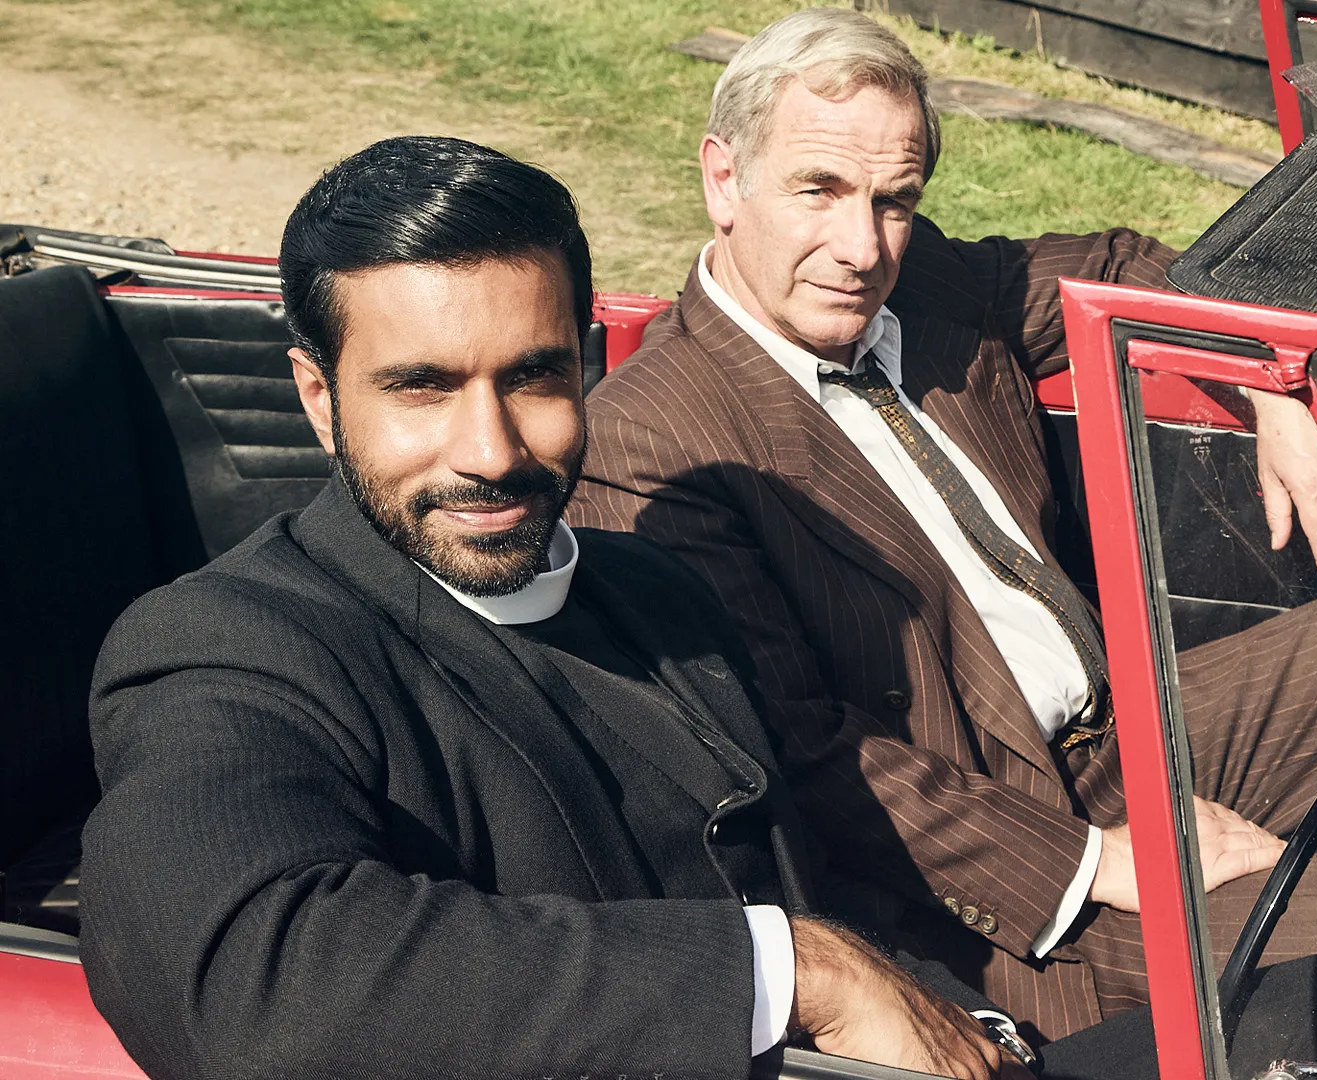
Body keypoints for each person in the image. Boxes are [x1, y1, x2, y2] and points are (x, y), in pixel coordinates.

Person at [570, 8, 1317, 1044]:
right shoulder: (652, 442)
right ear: (723, 179)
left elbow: (1121, 262)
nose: (861, 246)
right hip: (1007, 843)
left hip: (1131, 726)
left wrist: (1277, 380)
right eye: (818, 190)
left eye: (895, 201)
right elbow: (809, 757)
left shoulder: (926, 284)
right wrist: (1105, 861)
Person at [80, 135, 1045, 1080]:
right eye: (422, 389)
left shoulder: (657, 589)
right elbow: (247, 984)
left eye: (533, 376)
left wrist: (970, 1024)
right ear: (320, 399)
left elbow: (806, 877)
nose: (491, 451)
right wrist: (800, 972)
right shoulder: (226, 649)